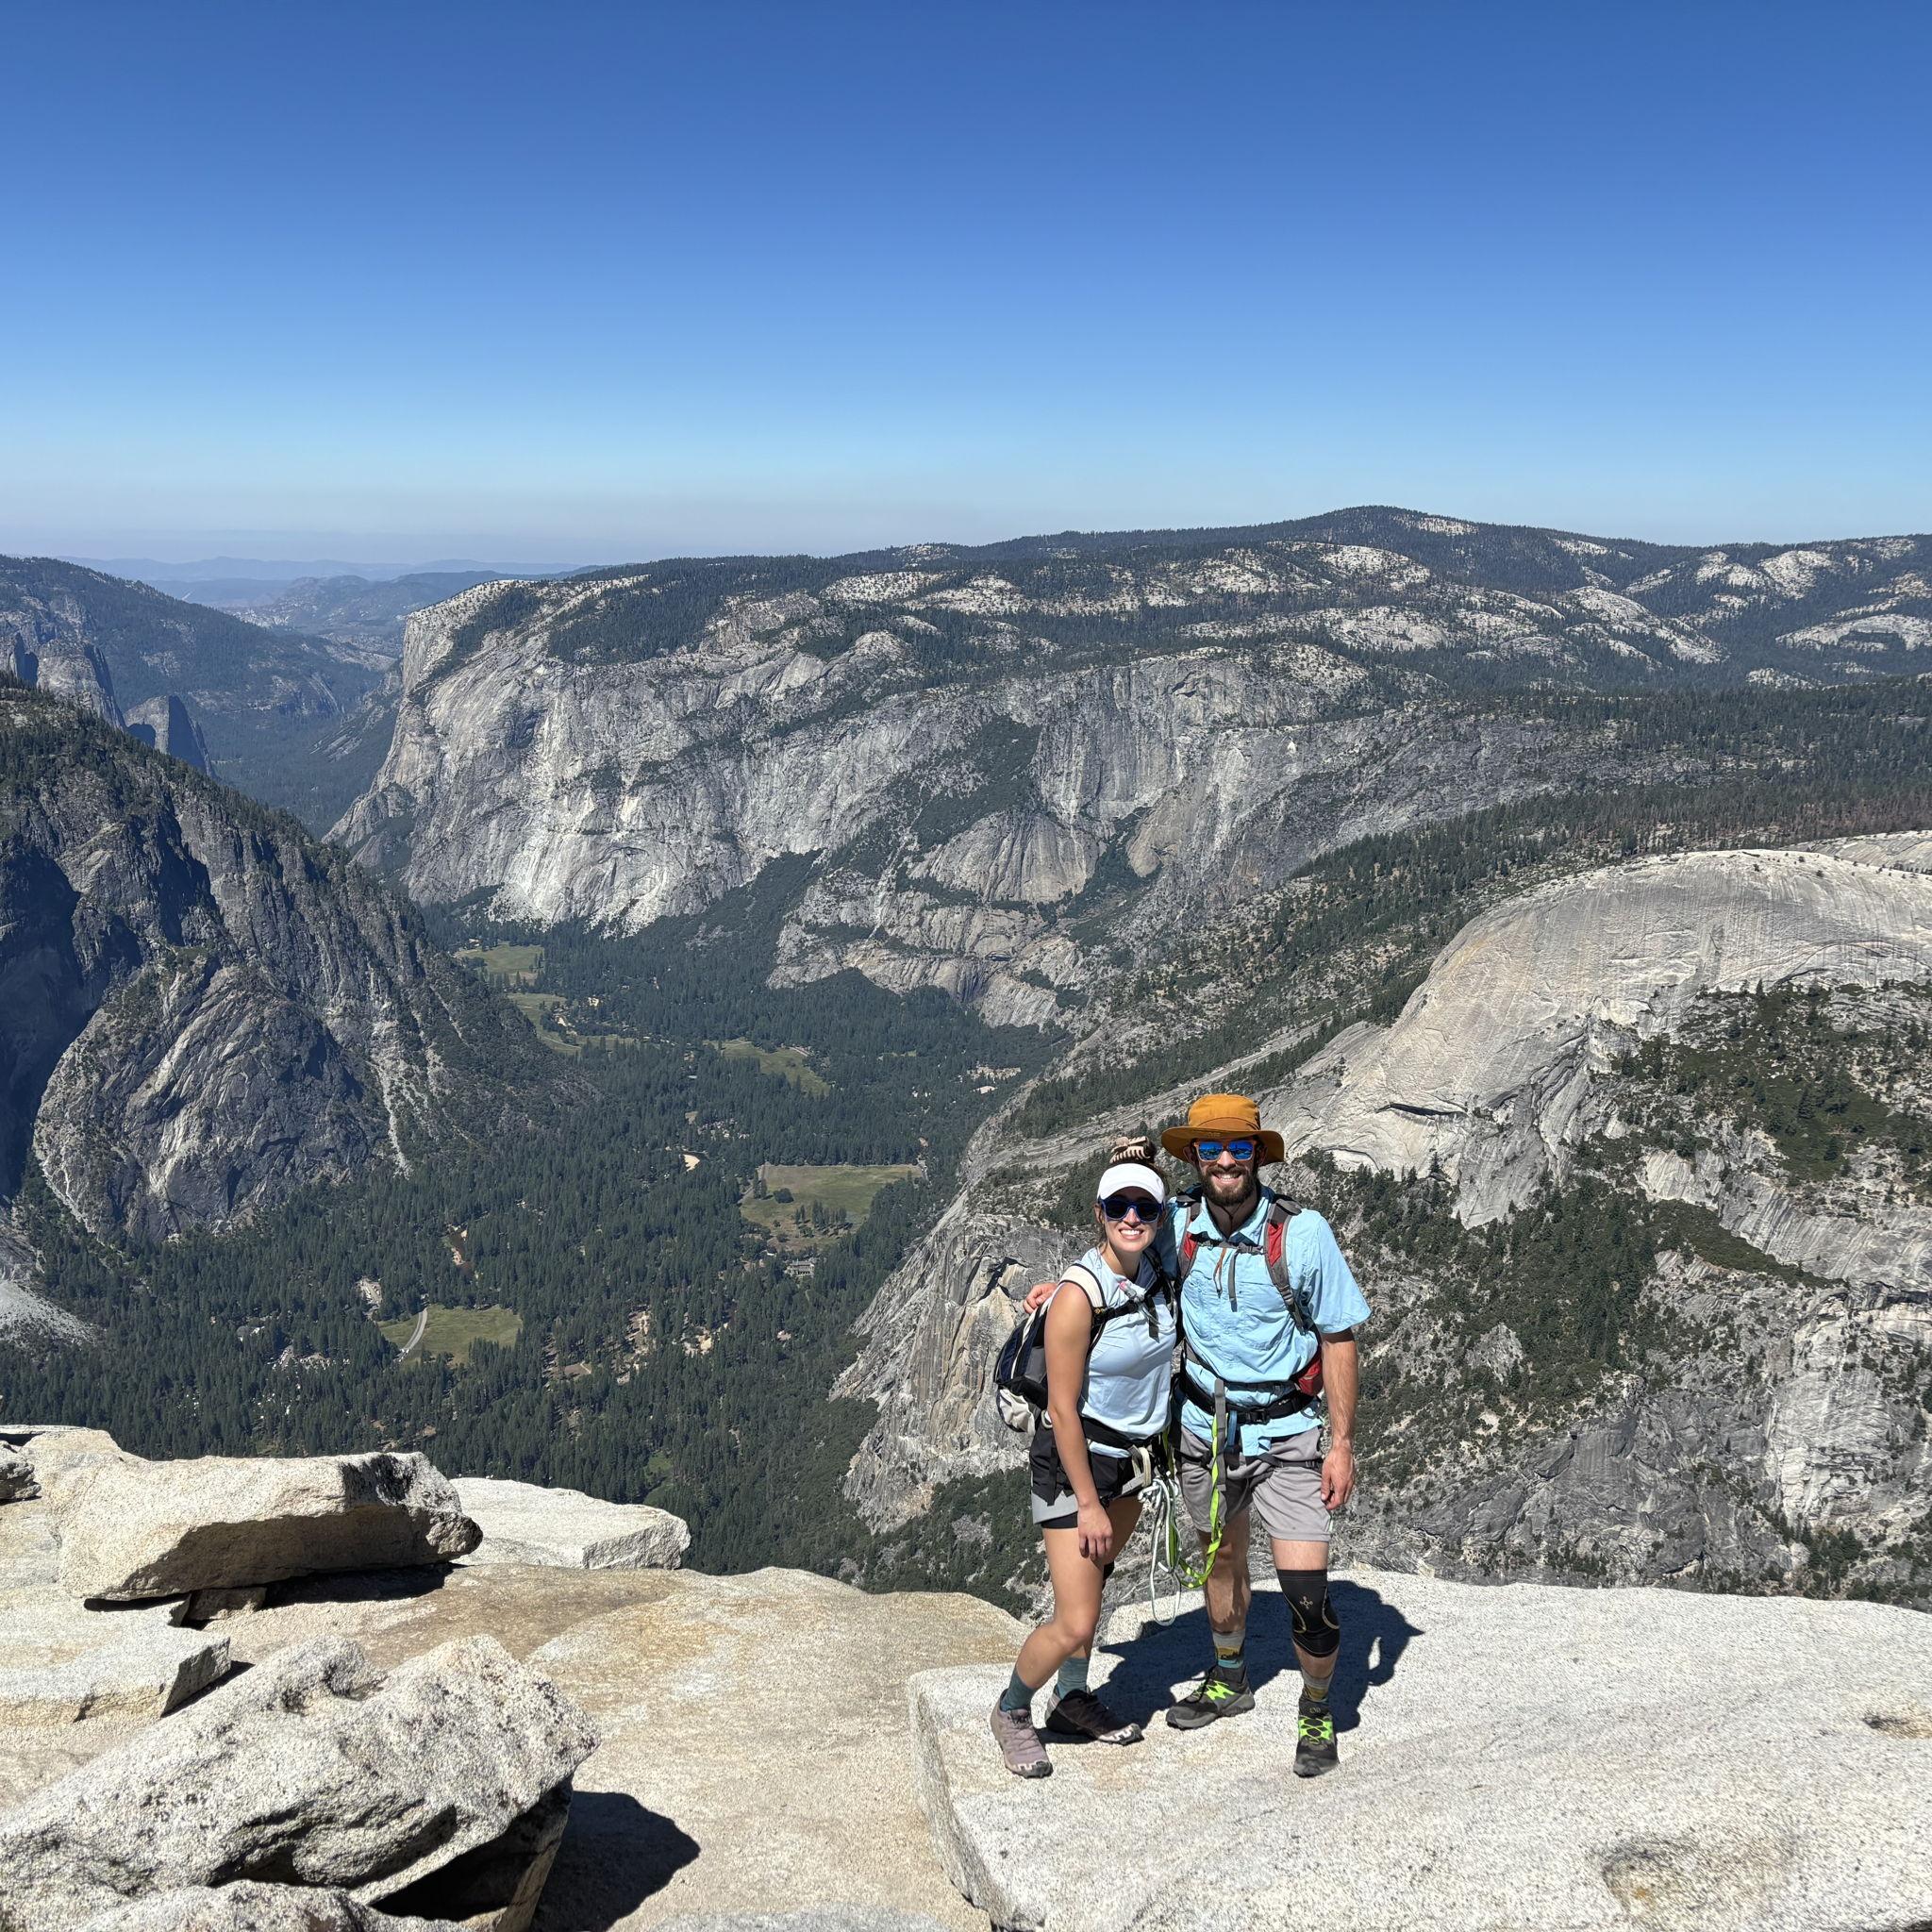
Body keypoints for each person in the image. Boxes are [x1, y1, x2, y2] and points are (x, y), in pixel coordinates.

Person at [1024, 1092, 1369, 1777]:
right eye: (1210, 1150)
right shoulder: (1176, 1224)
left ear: (1258, 1156)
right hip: (1204, 1432)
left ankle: (1318, 1710)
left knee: (1308, 1594)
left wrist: (1342, 1441)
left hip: (1288, 1436)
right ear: (1194, 1158)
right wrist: (1061, 1289)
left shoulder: (1302, 1235)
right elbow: (1118, 1255)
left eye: (1239, 1148)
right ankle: (1230, 1678)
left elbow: (1339, 1338)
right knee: (1220, 1562)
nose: (1224, 1163)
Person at [990, 1155, 1178, 1779]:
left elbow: (1209, 1195)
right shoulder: (1078, 1298)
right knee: (1074, 1620)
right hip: (1077, 1467)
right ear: (1098, 1214)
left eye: (1145, 1207)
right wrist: (1089, 1503)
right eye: (1118, 1207)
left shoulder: (1156, 1263)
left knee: (1093, 1593)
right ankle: (1013, 1711)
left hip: (1130, 1462)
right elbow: (1064, 1414)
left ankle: (1071, 1701)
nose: (1133, 1217)